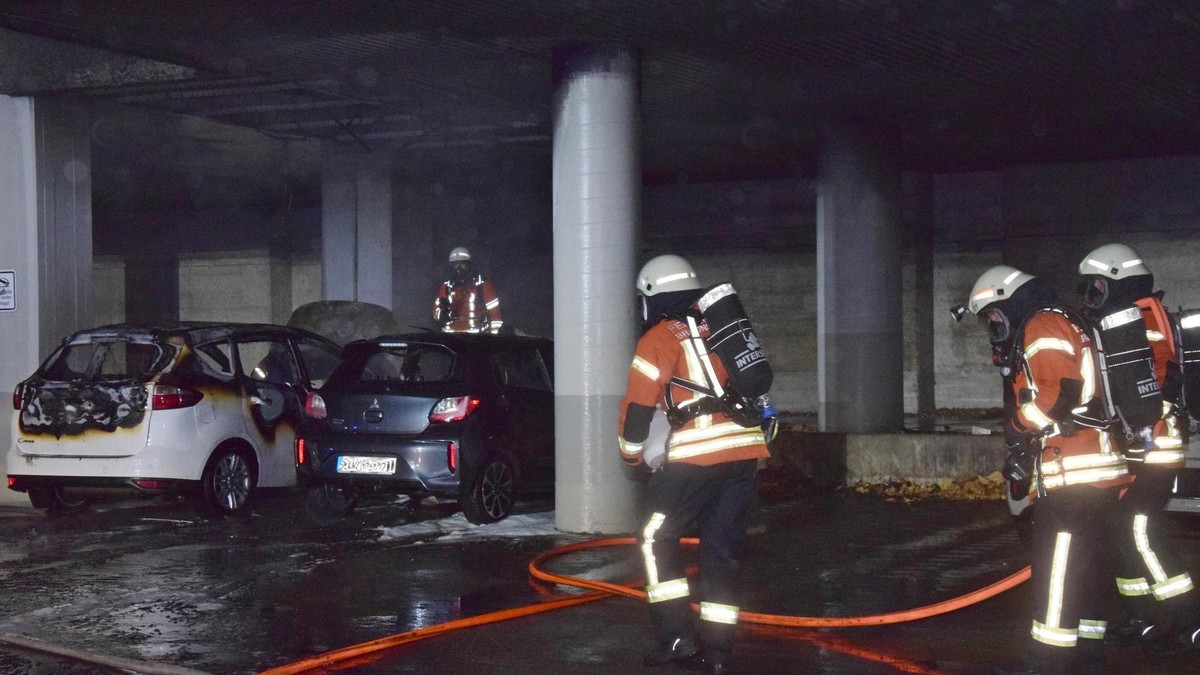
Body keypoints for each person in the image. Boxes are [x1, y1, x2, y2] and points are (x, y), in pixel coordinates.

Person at [956, 265, 1131, 674]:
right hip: (1096, 475)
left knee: (1056, 573)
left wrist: (1017, 426)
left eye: (995, 316)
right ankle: (1088, 654)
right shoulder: (1063, 318)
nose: (995, 326)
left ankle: (1046, 663)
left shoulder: (1042, 324)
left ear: (1008, 299)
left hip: (1075, 477)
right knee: (1085, 568)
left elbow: (1059, 393)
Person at [617, 254, 770, 675]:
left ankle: (676, 639)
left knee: (653, 538)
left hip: (696, 456)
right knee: (721, 551)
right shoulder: (719, 327)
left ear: (651, 297)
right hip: (744, 454)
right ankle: (718, 654)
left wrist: (632, 457)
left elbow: (636, 412)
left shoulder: (658, 339)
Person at [1077, 243, 1200, 652]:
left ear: (1115, 280)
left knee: (1137, 529)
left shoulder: (1138, 317)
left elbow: (1150, 380)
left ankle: (1189, 618)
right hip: (1144, 446)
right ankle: (1141, 616)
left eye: (1096, 285)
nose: (1091, 294)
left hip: (1154, 447)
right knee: (1119, 528)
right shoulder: (1143, 313)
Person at [432, 246, 504, 334]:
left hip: (476, 338)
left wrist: (493, 337)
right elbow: (435, 311)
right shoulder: (447, 286)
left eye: (462, 264)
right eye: (455, 265)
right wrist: (441, 313)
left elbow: (495, 312)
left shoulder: (481, 284)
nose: (459, 269)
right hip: (450, 337)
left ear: (469, 265)